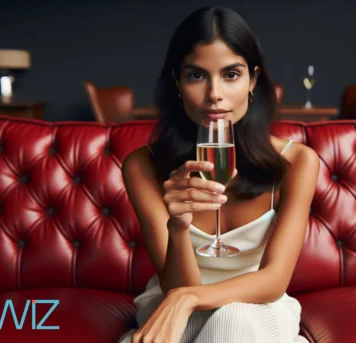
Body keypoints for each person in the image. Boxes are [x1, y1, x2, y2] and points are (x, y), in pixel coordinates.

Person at [119, 6, 320, 343]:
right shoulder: (143, 166)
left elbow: (273, 280)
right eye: (197, 75)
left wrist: (189, 299)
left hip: (257, 308)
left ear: (253, 80)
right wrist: (179, 227)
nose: (215, 94)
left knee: (235, 319)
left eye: (231, 74)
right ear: (177, 82)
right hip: (176, 307)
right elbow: (177, 287)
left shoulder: (298, 162)